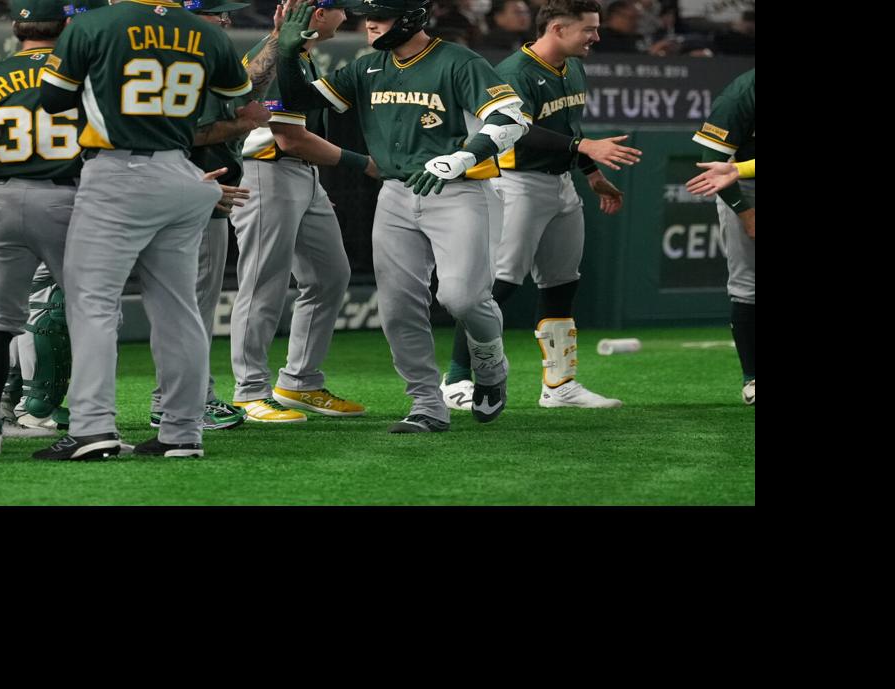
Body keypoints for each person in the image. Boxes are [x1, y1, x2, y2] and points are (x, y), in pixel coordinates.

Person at [276, 0, 529, 433]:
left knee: (463, 298)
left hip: (460, 190)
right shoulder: (369, 65)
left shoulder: (457, 59)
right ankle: (426, 403)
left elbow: (512, 119)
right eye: (368, 15)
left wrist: (462, 157)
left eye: (383, 15)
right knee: (396, 308)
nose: (370, 22)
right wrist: (287, 53)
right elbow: (302, 100)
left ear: (411, 17)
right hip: (396, 191)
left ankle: (489, 364)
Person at [32, 0, 264, 460]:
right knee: (180, 312)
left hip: (118, 170)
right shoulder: (208, 31)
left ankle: (92, 429)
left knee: (92, 304)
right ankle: (182, 432)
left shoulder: (95, 23)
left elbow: (53, 100)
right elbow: (238, 93)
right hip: (182, 174)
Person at [441, 0, 639, 411]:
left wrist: (591, 173)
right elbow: (518, 131)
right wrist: (583, 147)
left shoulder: (574, 67)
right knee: (498, 284)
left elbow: (568, 128)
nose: (596, 37)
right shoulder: (515, 71)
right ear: (558, 29)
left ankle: (559, 384)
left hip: (561, 181)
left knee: (562, 282)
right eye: (588, 29)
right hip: (517, 184)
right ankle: (456, 378)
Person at [0, 0, 93, 456]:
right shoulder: (83, 74)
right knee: (92, 314)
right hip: (69, 197)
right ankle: (92, 427)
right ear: (67, 25)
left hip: (0, 196)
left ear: (16, 28)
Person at [227, 0, 377, 425]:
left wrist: (313, 183)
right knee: (263, 282)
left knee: (330, 276)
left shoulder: (302, 55)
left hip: (298, 175)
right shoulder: (276, 55)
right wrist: (362, 163)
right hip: (265, 172)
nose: (346, 17)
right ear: (316, 14)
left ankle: (299, 381)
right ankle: (248, 392)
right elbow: (289, 138)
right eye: (339, 9)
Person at [155, 0, 264, 433]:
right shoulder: (186, 63)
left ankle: (180, 398)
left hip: (164, 187)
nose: (226, 20)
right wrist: (241, 127)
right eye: (216, 13)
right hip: (195, 191)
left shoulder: (175, 56)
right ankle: (181, 402)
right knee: (189, 307)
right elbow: (188, 133)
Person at [688, 67, 753, 404]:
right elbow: (713, 164)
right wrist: (745, 210)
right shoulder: (741, 94)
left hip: (741, 171)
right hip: (745, 187)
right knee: (748, 285)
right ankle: (752, 378)